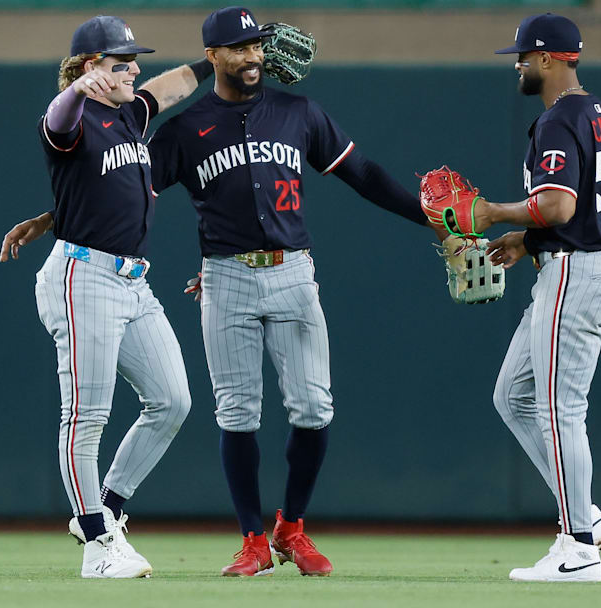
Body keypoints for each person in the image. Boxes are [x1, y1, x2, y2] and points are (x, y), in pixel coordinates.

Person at [149, 6, 446, 577]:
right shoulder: (184, 130)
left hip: (292, 273)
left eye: (256, 45)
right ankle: (253, 541)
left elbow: (364, 174)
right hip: (226, 278)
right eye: (238, 47)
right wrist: (59, 217)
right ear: (212, 56)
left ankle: (291, 528)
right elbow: (131, 192)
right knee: (237, 413)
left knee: (313, 409)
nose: (252, 56)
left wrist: (430, 219)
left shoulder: (298, 112)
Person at [0, 14, 213, 579]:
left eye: (133, 62)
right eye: (122, 64)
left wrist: (215, 61)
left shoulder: (128, 113)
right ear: (92, 68)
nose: (134, 71)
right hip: (83, 278)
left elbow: (169, 87)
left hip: (132, 281)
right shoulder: (72, 117)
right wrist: (76, 89)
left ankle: (107, 509)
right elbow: (56, 119)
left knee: (173, 400)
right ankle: (97, 546)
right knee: (86, 416)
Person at [461, 12, 601, 582]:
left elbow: (558, 205)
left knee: (561, 411)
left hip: (577, 275)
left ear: (549, 58)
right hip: (592, 264)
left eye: (524, 55)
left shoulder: (559, 119)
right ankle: (586, 515)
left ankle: (577, 547)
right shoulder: (599, 112)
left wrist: (493, 212)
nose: (518, 64)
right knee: (512, 395)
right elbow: (580, 209)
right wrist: (529, 239)